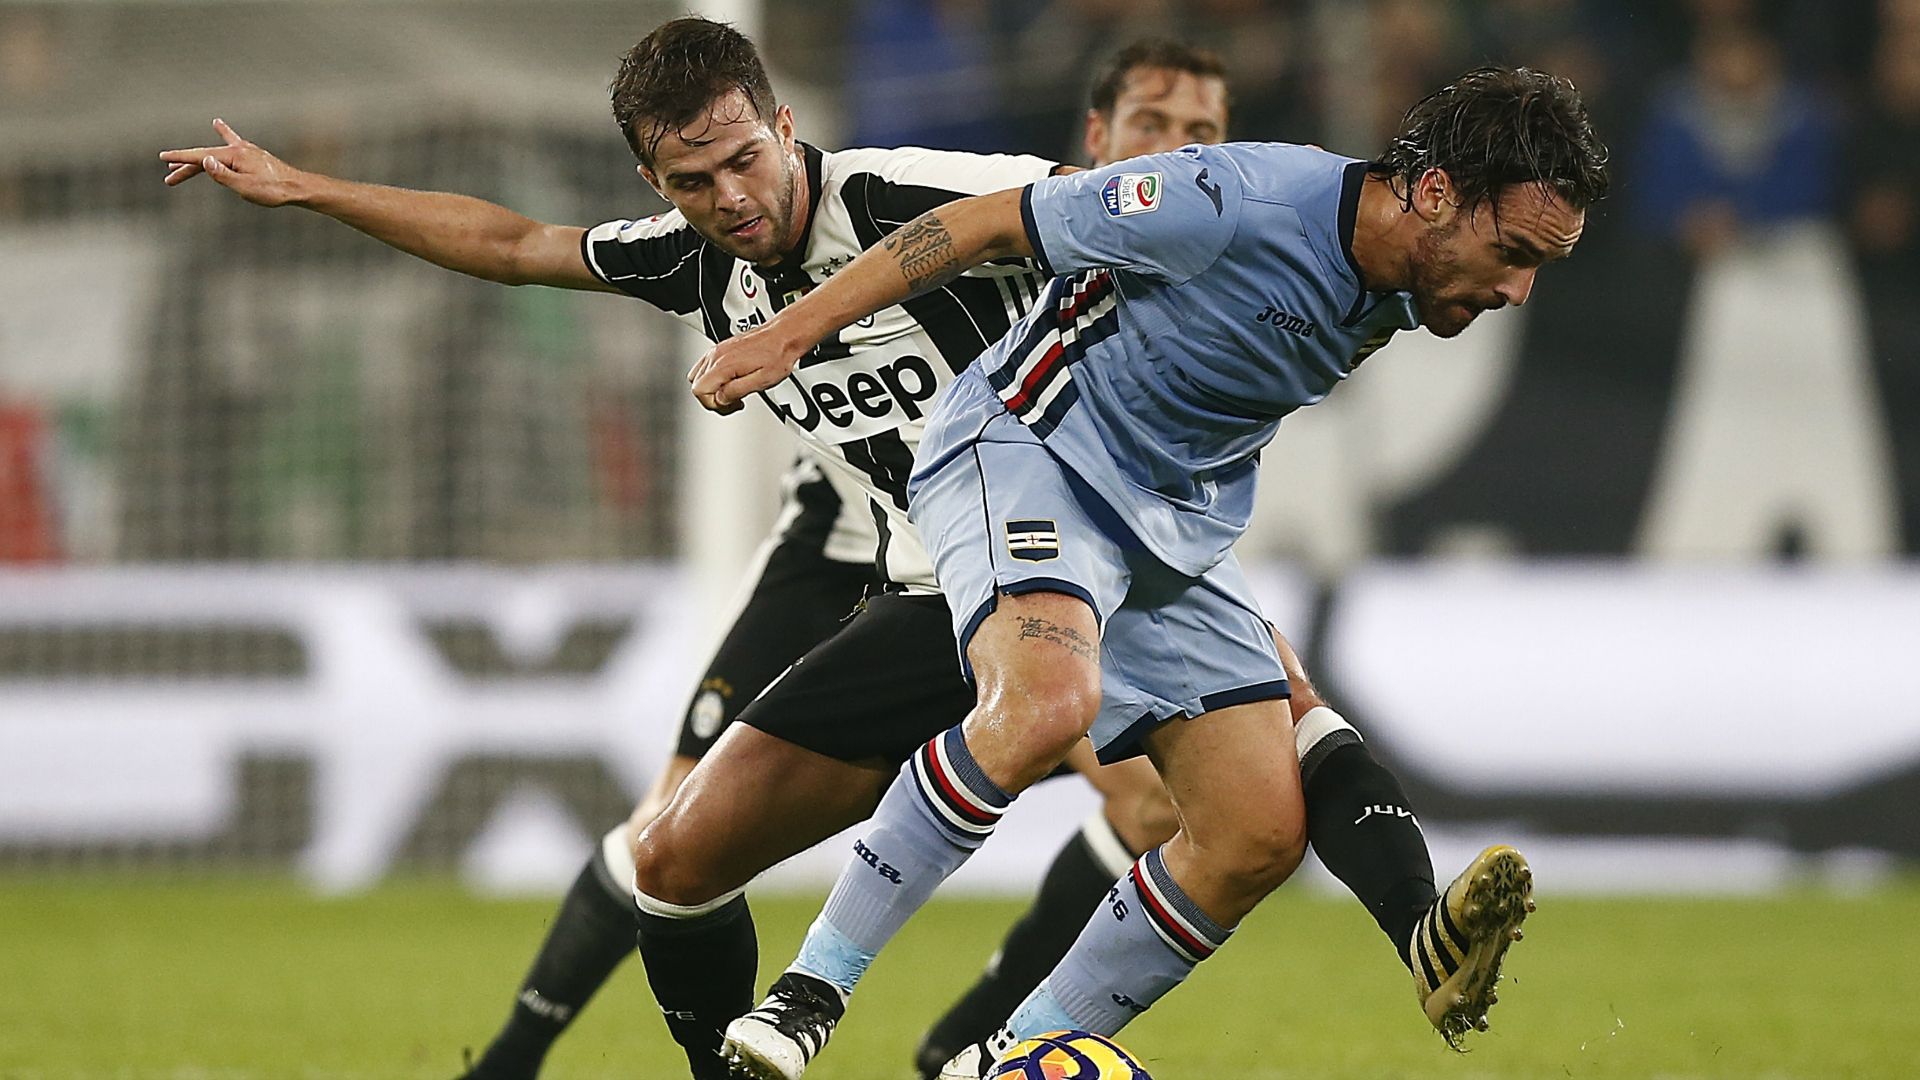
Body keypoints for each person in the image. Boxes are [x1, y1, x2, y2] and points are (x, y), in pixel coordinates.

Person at [158, 20, 1471, 1079]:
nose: (732, 197)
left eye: (746, 158)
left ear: (786, 126)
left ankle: (985, 1048)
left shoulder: (905, 192)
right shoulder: (694, 264)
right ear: (655, 183)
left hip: (1067, 557)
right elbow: (513, 243)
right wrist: (303, 187)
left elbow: (1069, 225)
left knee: (1207, 796)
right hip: (913, 595)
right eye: (693, 180)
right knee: (671, 861)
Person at [693, 65, 1608, 1079]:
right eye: (1513, 253)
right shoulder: (1231, 202)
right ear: (1436, 193)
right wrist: (792, 328)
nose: (1518, 290)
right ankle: (808, 994)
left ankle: (1009, 1059)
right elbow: (986, 224)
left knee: (1255, 830)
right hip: (1026, 446)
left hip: (1169, 523)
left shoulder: (1408, 276)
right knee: (1045, 702)